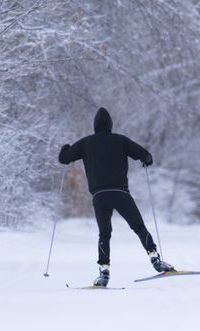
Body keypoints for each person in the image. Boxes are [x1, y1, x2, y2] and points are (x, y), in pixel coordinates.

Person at [58, 107, 174, 287]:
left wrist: (65, 148)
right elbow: (146, 156)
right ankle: (156, 260)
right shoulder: (120, 140)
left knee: (104, 234)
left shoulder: (86, 143)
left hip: (100, 196)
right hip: (120, 194)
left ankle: (104, 272)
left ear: (95, 126)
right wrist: (147, 160)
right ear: (110, 125)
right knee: (139, 227)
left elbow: (64, 158)